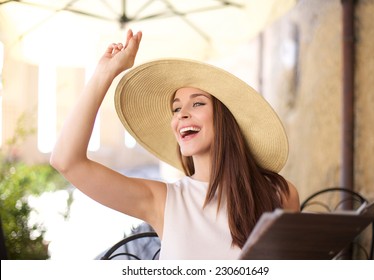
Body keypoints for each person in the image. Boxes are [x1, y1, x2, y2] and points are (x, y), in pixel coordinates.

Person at [50, 29, 300, 260]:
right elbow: (66, 161)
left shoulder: (279, 193)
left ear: (226, 120)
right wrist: (104, 73)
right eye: (176, 108)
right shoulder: (163, 201)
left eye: (198, 103)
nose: (181, 115)